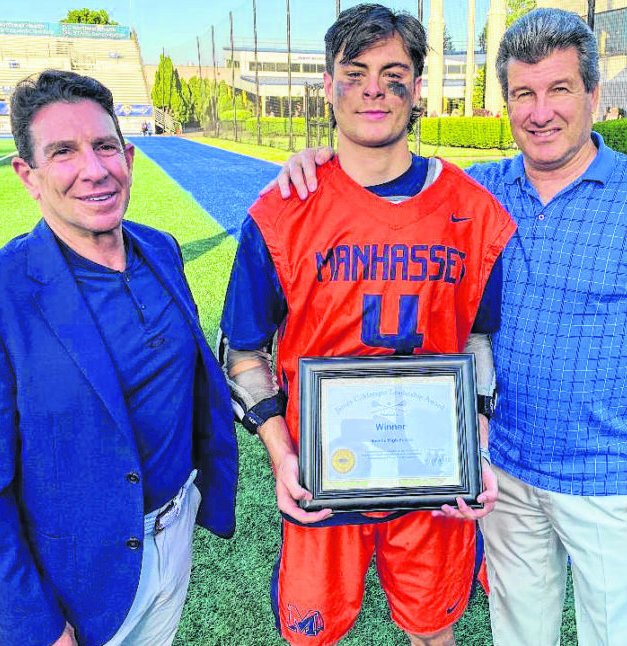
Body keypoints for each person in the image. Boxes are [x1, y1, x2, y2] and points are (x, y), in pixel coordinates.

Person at [268, 8, 627, 646]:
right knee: (518, 633)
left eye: (559, 89)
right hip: (501, 472)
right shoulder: (479, 193)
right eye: (523, 93)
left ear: (594, 95)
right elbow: (384, 173)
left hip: (608, 483)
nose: (540, 112)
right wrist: (319, 160)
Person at [217, 5, 514, 645]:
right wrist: (283, 458)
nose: (374, 89)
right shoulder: (281, 211)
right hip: (324, 476)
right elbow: (242, 354)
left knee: (434, 631)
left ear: (418, 87)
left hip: (433, 481)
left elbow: (477, 341)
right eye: (355, 73)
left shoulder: (472, 210)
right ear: (329, 86)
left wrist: (477, 449)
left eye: (393, 74)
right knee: (314, 636)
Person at [0, 69, 239, 646]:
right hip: (78, 578)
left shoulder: (161, 249)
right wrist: (34, 627)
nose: (94, 169)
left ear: (129, 157)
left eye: (104, 146)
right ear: (28, 175)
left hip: (174, 536)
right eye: (63, 152)